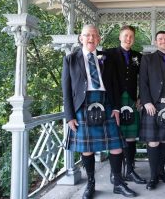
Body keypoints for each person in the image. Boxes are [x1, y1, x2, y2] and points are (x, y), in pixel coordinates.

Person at [62, 24, 137, 199]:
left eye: (94, 35)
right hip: (83, 105)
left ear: (98, 39)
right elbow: (66, 90)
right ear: (81, 38)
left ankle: (118, 183)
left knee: (116, 146)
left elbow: (114, 84)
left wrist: (117, 107)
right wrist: (69, 116)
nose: (90, 38)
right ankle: (90, 184)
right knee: (87, 149)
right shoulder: (71, 59)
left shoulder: (106, 59)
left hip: (107, 103)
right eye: (87, 35)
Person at [106, 25, 146, 185]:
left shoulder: (138, 56)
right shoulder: (109, 54)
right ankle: (115, 172)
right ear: (120, 37)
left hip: (131, 99)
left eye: (131, 36)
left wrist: (141, 97)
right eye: (126, 35)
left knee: (130, 138)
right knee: (115, 137)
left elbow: (144, 78)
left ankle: (130, 170)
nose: (128, 38)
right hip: (114, 100)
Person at [139, 31, 165, 190]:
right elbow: (143, 81)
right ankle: (153, 176)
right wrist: (146, 101)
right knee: (153, 141)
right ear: (155, 42)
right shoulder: (147, 58)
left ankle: (162, 172)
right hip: (153, 105)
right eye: (160, 39)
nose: (163, 41)